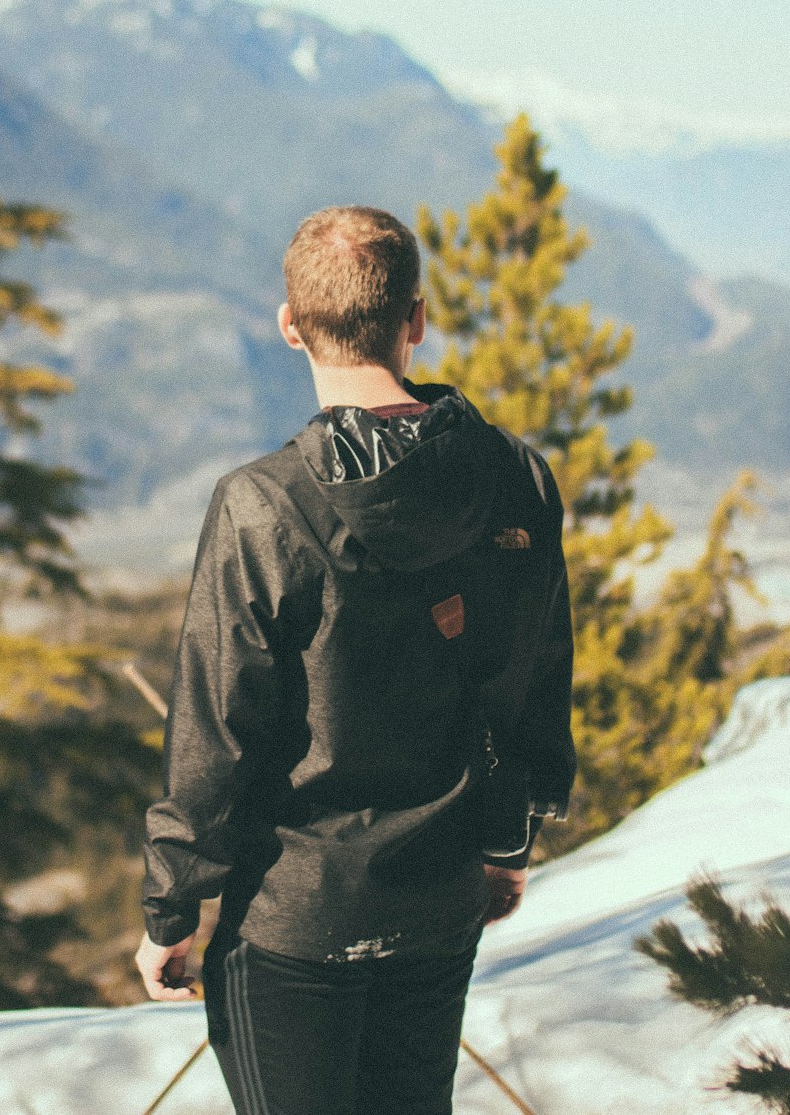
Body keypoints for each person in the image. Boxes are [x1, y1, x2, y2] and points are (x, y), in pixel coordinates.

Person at [135, 205, 576, 1115]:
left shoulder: (262, 505)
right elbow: (535, 678)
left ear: (290, 324)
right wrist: (508, 842)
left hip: (292, 919)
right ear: (415, 319)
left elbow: (216, 730)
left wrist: (172, 909)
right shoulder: (514, 479)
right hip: (440, 900)